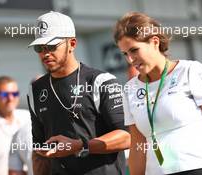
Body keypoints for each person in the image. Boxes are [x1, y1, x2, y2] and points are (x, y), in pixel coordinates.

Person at [113, 12, 202, 175]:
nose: (130, 59)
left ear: (154, 42)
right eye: (125, 54)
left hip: (200, 168)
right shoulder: (129, 89)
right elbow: (138, 144)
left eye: (134, 50)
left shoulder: (189, 70)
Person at [27, 11, 130, 175]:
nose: (45, 53)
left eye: (52, 46)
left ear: (72, 44)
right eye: (39, 48)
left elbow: (127, 136)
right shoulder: (35, 90)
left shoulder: (102, 81)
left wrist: (81, 145)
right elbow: (39, 151)